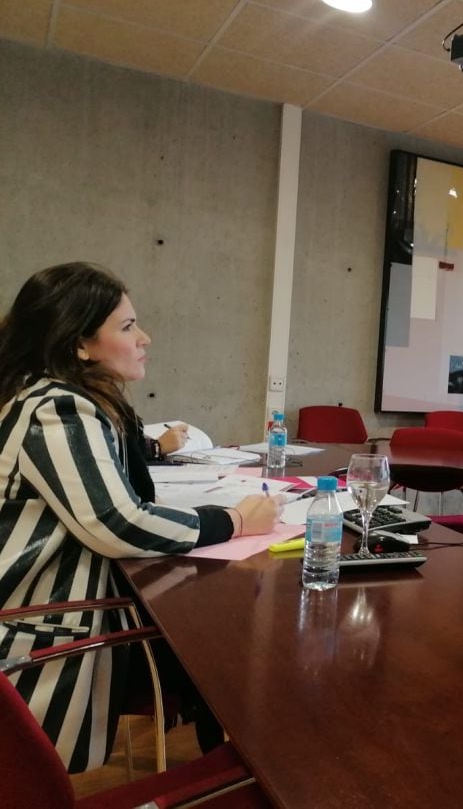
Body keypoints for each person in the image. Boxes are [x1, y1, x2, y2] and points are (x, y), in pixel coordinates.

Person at [0, 262, 283, 772]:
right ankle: (247, 771)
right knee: (225, 654)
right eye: (128, 327)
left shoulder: (59, 397)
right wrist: (235, 521)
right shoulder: (56, 407)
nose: (144, 338)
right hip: (35, 636)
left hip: (58, 615)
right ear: (79, 344)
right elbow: (117, 522)